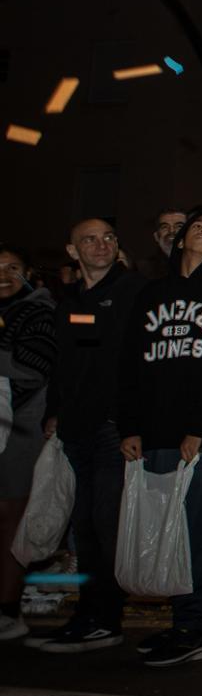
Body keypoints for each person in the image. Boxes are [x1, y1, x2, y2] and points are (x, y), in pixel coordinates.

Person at [116, 207, 202, 666]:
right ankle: (177, 622)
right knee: (161, 529)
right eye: (199, 226)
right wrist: (129, 425)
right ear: (178, 240)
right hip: (152, 430)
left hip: (199, 434)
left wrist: (200, 427)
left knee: (193, 531)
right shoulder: (152, 294)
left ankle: (196, 626)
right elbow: (131, 363)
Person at [30, 218, 145, 652]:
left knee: (106, 524)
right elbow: (66, 363)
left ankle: (106, 616)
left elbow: (135, 364)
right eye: (90, 240)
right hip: (75, 428)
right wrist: (55, 412)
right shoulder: (70, 300)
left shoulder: (134, 292)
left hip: (114, 430)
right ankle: (88, 613)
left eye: (109, 238)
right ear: (73, 250)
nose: (101, 245)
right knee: (83, 528)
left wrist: (131, 424)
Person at [0, 243, 58, 642]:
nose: (4, 274)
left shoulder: (39, 311)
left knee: (10, 519)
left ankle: (7, 608)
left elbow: (34, 368)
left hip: (18, 431)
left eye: (12, 267)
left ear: (28, 272)